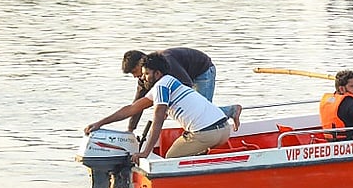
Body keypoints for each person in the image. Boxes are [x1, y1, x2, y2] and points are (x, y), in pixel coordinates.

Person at [85, 52, 240, 159]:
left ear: (157, 73)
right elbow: (131, 109)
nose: (143, 78)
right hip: (224, 130)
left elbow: (157, 122)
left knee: (171, 157)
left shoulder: (161, 87)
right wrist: (100, 123)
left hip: (207, 134)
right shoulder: (170, 82)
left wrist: (145, 153)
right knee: (185, 147)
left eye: (146, 74)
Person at [121, 48, 239, 133]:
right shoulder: (145, 77)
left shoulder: (166, 62)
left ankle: (231, 110)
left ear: (142, 62)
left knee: (201, 112)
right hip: (187, 74)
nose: (135, 76)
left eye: (134, 71)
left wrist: (165, 109)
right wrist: (130, 130)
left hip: (202, 70)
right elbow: (137, 103)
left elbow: (187, 85)